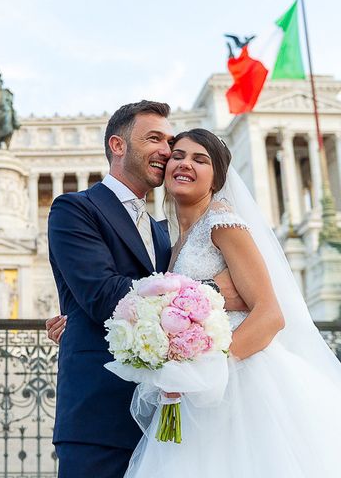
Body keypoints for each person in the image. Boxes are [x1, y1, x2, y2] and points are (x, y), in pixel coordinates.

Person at [123, 129, 341, 477]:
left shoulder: (222, 222)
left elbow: (270, 314)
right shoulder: (174, 241)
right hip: (196, 391)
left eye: (200, 159)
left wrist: (209, 368)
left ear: (217, 178)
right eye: (177, 156)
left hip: (243, 381)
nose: (185, 164)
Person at [46, 103, 243, 478]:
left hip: (165, 420)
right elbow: (105, 295)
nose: (167, 151)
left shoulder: (161, 231)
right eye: (154, 138)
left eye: (170, 141)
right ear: (118, 145)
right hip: (99, 416)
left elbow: (156, 304)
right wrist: (212, 290)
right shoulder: (75, 209)